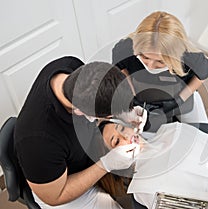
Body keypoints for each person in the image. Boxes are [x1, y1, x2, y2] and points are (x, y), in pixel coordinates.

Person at [14, 56, 147, 209]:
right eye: (108, 117)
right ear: (80, 112)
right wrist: (104, 165)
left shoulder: (71, 67)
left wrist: (124, 112)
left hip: (75, 153)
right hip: (58, 186)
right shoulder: (38, 140)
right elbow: (55, 196)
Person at [99, 121, 208, 209]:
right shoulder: (141, 187)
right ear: (114, 159)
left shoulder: (172, 130)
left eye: (122, 129)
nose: (125, 136)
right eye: (116, 141)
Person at [112, 11, 208, 128]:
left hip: (181, 96)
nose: (150, 65)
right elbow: (121, 70)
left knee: (201, 133)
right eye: (145, 57)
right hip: (142, 97)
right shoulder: (125, 49)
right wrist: (132, 95)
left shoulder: (188, 57)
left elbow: (205, 71)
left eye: (160, 61)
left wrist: (180, 99)